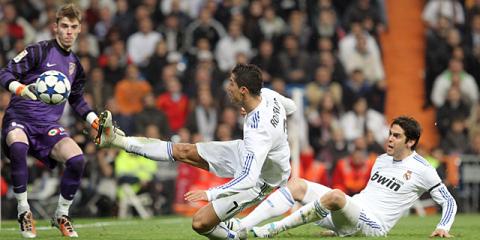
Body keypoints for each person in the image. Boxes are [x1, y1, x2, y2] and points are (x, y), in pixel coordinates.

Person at [96, 63, 296, 239]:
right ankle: (116, 140)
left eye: (232, 83)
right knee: (183, 151)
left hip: (263, 179)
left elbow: (248, 178)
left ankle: (235, 236)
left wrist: (210, 193)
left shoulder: (259, 131)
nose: (228, 88)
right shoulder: (268, 95)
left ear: (243, 90)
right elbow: (292, 107)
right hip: (246, 154)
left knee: (200, 223)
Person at [227, 116, 457, 238]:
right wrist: (341, 225)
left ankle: (272, 229)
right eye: (390, 133)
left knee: (336, 196)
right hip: (352, 215)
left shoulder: (422, 168)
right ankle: (240, 226)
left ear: (410, 141)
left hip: (374, 226)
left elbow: (448, 201)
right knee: (297, 185)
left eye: (396, 136)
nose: (389, 139)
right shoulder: (381, 160)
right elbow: (370, 196)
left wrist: (443, 226)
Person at [0, 4, 107, 238]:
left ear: (80, 30)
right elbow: (5, 73)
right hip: (20, 119)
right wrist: (20, 89)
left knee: (78, 159)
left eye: (74, 27)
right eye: (65, 26)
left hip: (47, 125)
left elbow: (77, 99)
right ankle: (23, 211)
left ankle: (61, 214)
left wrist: (93, 121)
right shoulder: (38, 51)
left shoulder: (76, 66)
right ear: (55, 27)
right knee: (18, 146)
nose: (69, 31)